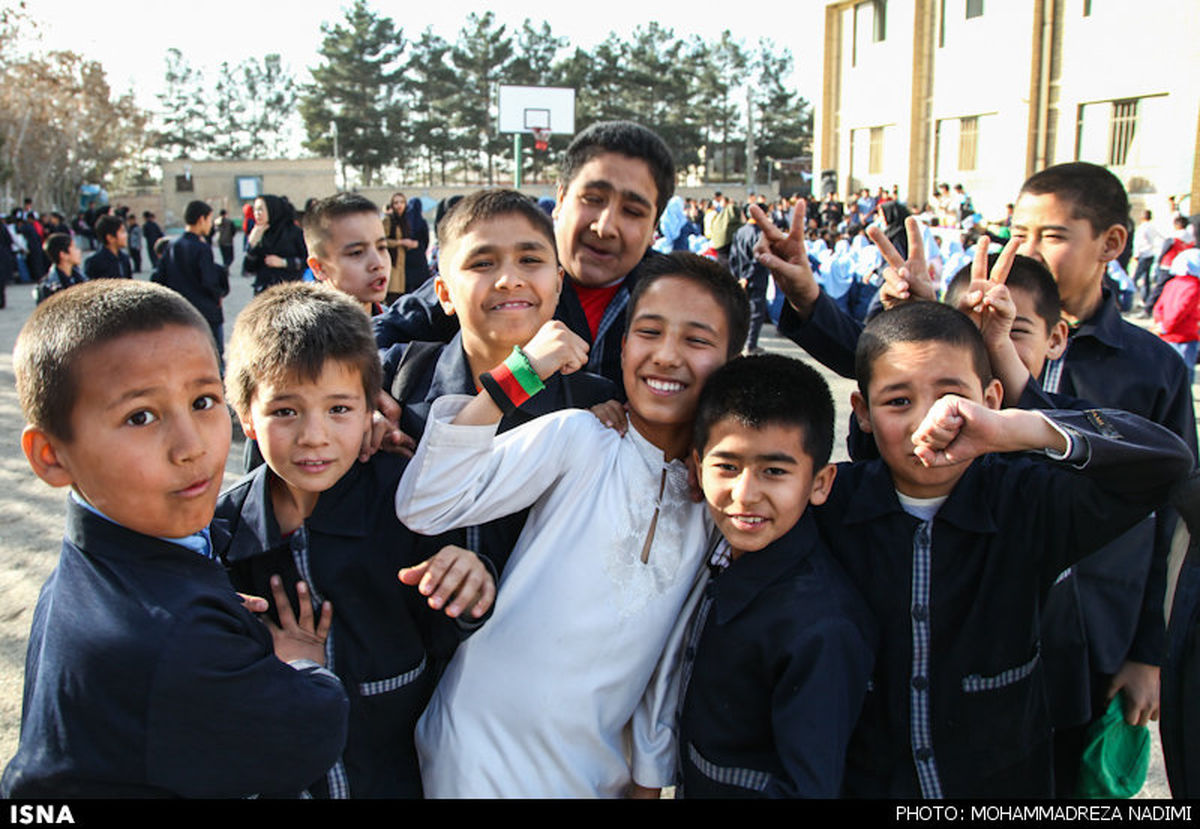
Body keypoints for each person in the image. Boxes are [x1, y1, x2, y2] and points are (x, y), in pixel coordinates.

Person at [394, 252, 749, 797]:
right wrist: (516, 377)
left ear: (732, 360)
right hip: (475, 754)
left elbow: (672, 660)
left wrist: (649, 781)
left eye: (697, 341)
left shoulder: (715, 503)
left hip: (594, 776)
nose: (666, 355)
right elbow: (427, 501)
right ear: (624, 345)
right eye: (648, 332)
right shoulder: (580, 438)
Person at [0, 280, 349, 797]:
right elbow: (312, 732)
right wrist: (302, 661)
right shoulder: (178, 635)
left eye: (204, 401)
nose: (192, 447)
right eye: (140, 416)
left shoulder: (100, 566)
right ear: (51, 455)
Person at [214, 283, 496, 798]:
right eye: (285, 411)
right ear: (246, 417)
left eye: (339, 409)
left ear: (373, 407)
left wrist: (470, 581)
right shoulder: (224, 534)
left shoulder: (404, 499)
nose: (314, 436)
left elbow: (450, 634)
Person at [381, 189, 618, 574]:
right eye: (482, 263)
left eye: (529, 259)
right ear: (444, 293)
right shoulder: (395, 382)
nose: (509, 279)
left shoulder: (595, 404)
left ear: (558, 283)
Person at [676, 354, 876, 798]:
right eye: (727, 467)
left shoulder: (821, 628)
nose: (745, 495)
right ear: (696, 466)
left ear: (821, 482)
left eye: (775, 472)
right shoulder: (718, 555)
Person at [373, 120, 675, 389]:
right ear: (560, 198)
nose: (605, 226)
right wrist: (372, 396)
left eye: (633, 212)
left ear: (654, 227)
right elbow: (371, 341)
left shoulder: (676, 294)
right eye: (593, 199)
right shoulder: (492, 280)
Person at [153, 200, 230, 366]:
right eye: (210, 220)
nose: (210, 225)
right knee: (214, 357)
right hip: (206, 313)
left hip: (179, 312)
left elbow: (159, 278)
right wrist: (218, 295)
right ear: (201, 219)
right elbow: (209, 281)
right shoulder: (201, 248)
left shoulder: (172, 245)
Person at [302, 193, 391, 315]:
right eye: (357, 252)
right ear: (319, 267)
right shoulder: (302, 332)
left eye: (382, 247)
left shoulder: (398, 325)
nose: (378, 263)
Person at [1152, 249, 1200, 385]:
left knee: (1165, 372)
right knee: (1183, 374)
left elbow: (1159, 306)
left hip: (1165, 335)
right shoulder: (1194, 286)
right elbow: (1181, 310)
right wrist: (1168, 326)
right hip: (1184, 335)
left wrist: (1160, 325)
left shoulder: (1171, 283)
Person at [244, 195, 307, 294]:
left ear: (272, 209)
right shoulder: (258, 232)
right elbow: (248, 269)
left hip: (290, 291)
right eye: (255, 210)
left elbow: (307, 260)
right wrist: (252, 244)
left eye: (260, 209)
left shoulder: (294, 232)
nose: (257, 214)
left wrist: (284, 262)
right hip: (264, 292)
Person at [729, 204, 769, 353]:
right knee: (756, 312)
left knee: (741, 311)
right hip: (756, 278)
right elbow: (758, 259)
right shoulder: (761, 234)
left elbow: (733, 257)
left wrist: (738, 277)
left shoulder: (739, 232)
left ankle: (739, 344)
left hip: (741, 278)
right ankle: (750, 344)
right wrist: (747, 276)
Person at [383, 193, 418, 302]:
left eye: (402, 202)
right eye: (396, 202)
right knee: (391, 297)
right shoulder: (388, 220)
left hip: (403, 265)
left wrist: (410, 244)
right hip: (392, 263)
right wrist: (400, 242)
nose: (399, 205)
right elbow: (381, 241)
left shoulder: (404, 221)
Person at [36, 233, 87, 305]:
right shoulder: (48, 287)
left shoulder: (82, 278)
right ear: (63, 254)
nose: (79, 251)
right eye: (74, 248)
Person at [1133, 209, 1164, 312]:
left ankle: (1125, 298)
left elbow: (1138, 242)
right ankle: (1144, 298)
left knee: (1135, 277)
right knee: (1145, 278)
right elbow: (1160, 238)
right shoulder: (1152, 227)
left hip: (1143, 253)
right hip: (1150, 253)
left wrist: (1136, 254)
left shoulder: (1142, 228)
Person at [84, 214, 132, 280]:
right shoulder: (95, 262)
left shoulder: (124, 258)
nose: (126, 235)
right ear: (110, 238)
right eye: (122, 232)